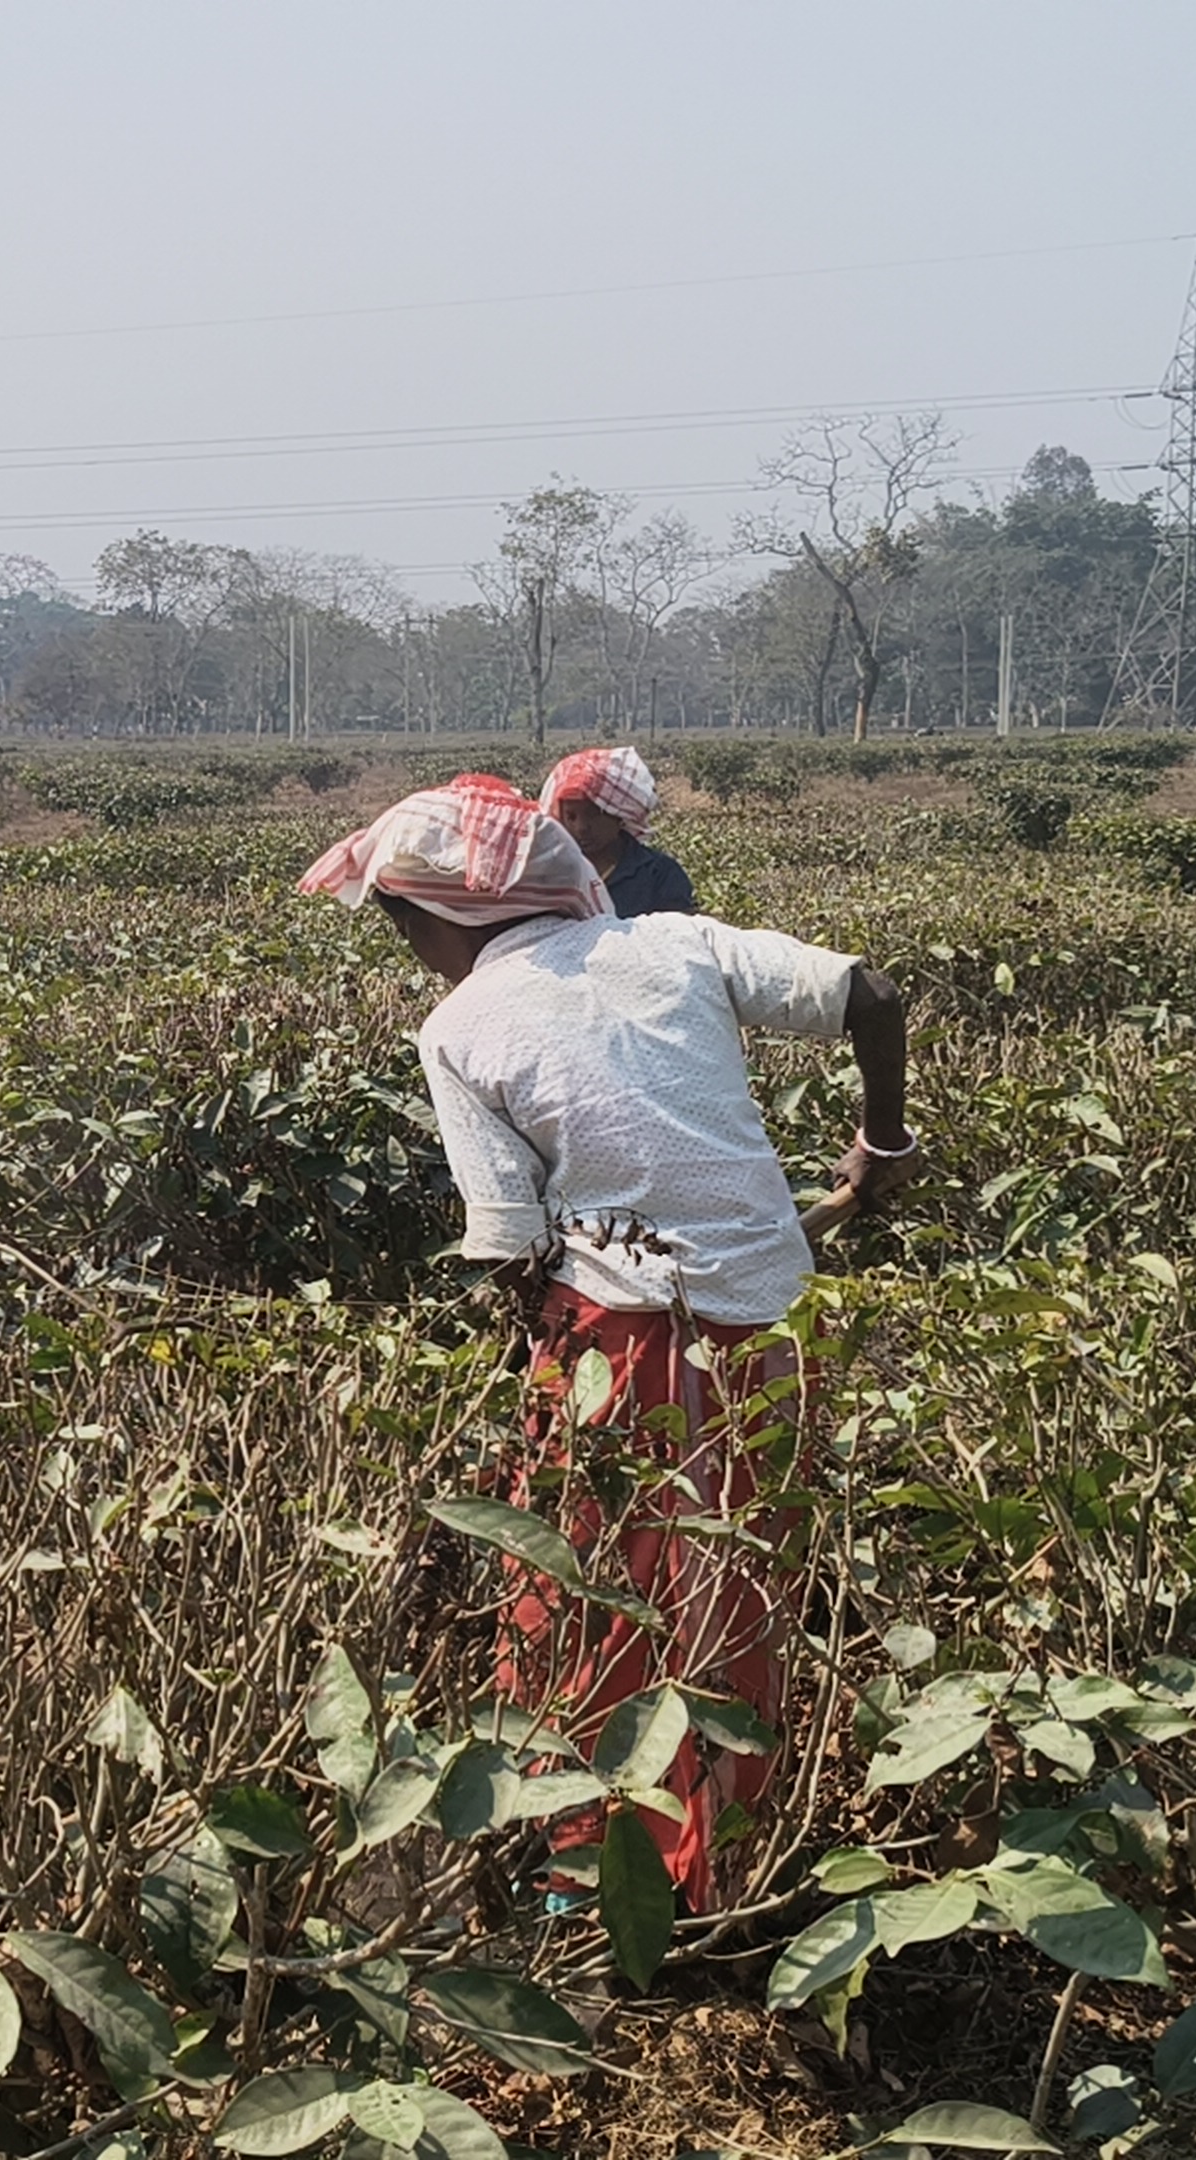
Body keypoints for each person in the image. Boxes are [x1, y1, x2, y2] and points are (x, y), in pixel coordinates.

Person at [299, 773, 918, 1906]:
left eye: (401, 927)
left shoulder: (460, 1026)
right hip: (772, 1321)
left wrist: (528, 1378)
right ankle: (723, 1863)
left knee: (588, 1580)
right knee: (733, 1582)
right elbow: (869, 993)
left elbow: (509, 1244)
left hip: (615, 1341)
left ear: (439, 920)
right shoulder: (673, 943)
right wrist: (882, 1146)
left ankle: (590, 1866)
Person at [538, 745, 695, 917]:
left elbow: (678, 936)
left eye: (593, 815)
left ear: (618, 814)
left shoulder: (660, 874)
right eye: (571, 817)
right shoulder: (553, 875)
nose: (581, 828)